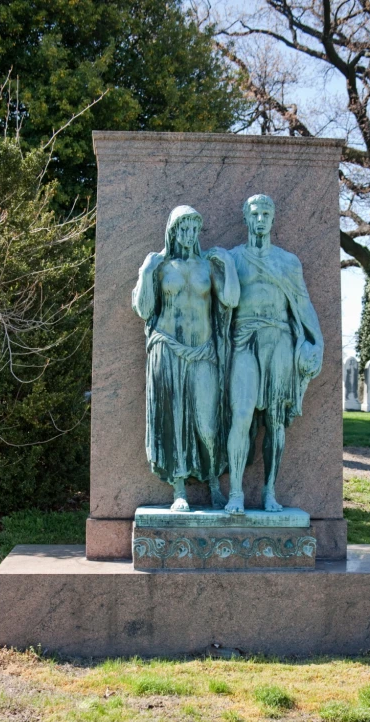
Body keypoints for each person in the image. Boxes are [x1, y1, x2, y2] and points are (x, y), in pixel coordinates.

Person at [132, 205, 239, 511]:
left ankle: (214, 482)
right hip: (167, 349)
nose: (189, 235)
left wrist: (228, 264)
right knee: (174, 421)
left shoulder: (208, 266)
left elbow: (231, 300)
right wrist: (146, 271)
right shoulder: (161, 265)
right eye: (184, 228)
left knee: (207, 423)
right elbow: (143, 309)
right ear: (173, 231)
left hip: (203, 351)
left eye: (194, 229)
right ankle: (179, 488)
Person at [224, 194, 324, 515]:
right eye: (255, 213)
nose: (261, 218)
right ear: (246, 217)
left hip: (279, 342)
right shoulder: (233, 258)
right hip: (244, 339)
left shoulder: (288, 262)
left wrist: (316, 342)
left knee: (275, 421)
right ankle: (236, 493)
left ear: (274, 217)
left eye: (267, 212)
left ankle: (269, 491)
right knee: (241, 414)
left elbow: (303, 304)